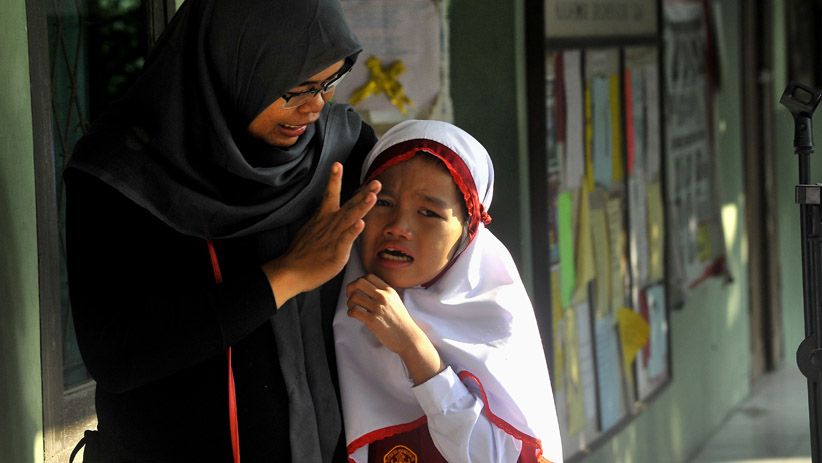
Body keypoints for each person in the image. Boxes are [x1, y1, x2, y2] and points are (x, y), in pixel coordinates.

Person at [63, 0, 380, 461]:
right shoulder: (123, 175)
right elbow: (117, 357)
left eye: (329, 82)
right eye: (296, 89)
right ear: (231, 65)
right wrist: (288, 274)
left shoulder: (340, 150)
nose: (316, 106)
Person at [333, 120, 564, 463]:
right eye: (383, 202)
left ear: (469, 230)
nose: (398, 227)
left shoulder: (496, 323)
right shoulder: (325, 299)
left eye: (429, 212)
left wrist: (413, 348)